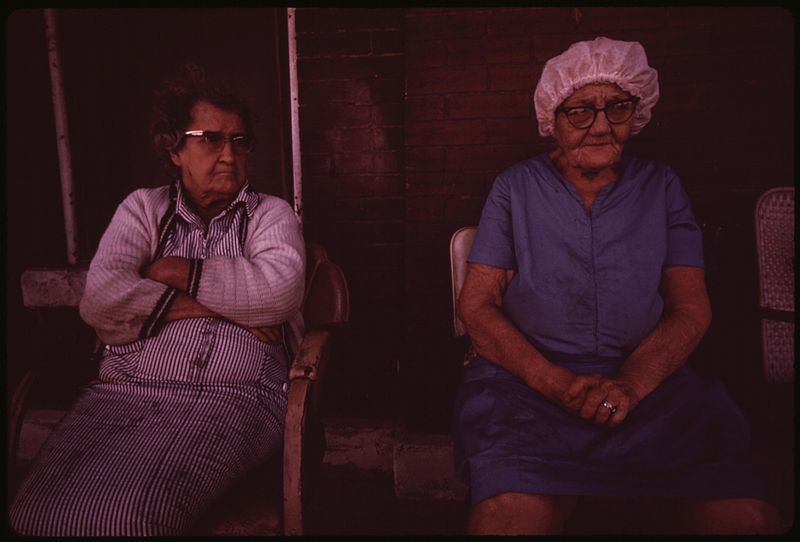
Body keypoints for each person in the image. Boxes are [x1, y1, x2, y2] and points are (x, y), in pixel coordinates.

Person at [453, 37, 781, 535]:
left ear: (637, 111)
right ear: (552, 118)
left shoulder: (661, 186)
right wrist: (554, 382)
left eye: (617, 107)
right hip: (528, 387)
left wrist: (631, 383)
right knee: (507, 522)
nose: (602, 125)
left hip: (653, 386)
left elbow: (691, 309)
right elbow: (477, 307)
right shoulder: (515, 188)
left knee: (743, 519)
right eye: (581, 111)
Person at [9, 65, 305, 536]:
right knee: (34, 514)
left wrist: (169, 271)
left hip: (233, 397)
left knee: (132, 518)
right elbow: (101, 301)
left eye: (239, 140)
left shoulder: (271, 215)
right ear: (174, 147)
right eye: (210, 138)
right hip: (121, 394)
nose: (229, 154)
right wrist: (226, 306)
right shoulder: (143, 210)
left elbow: (278, 293)